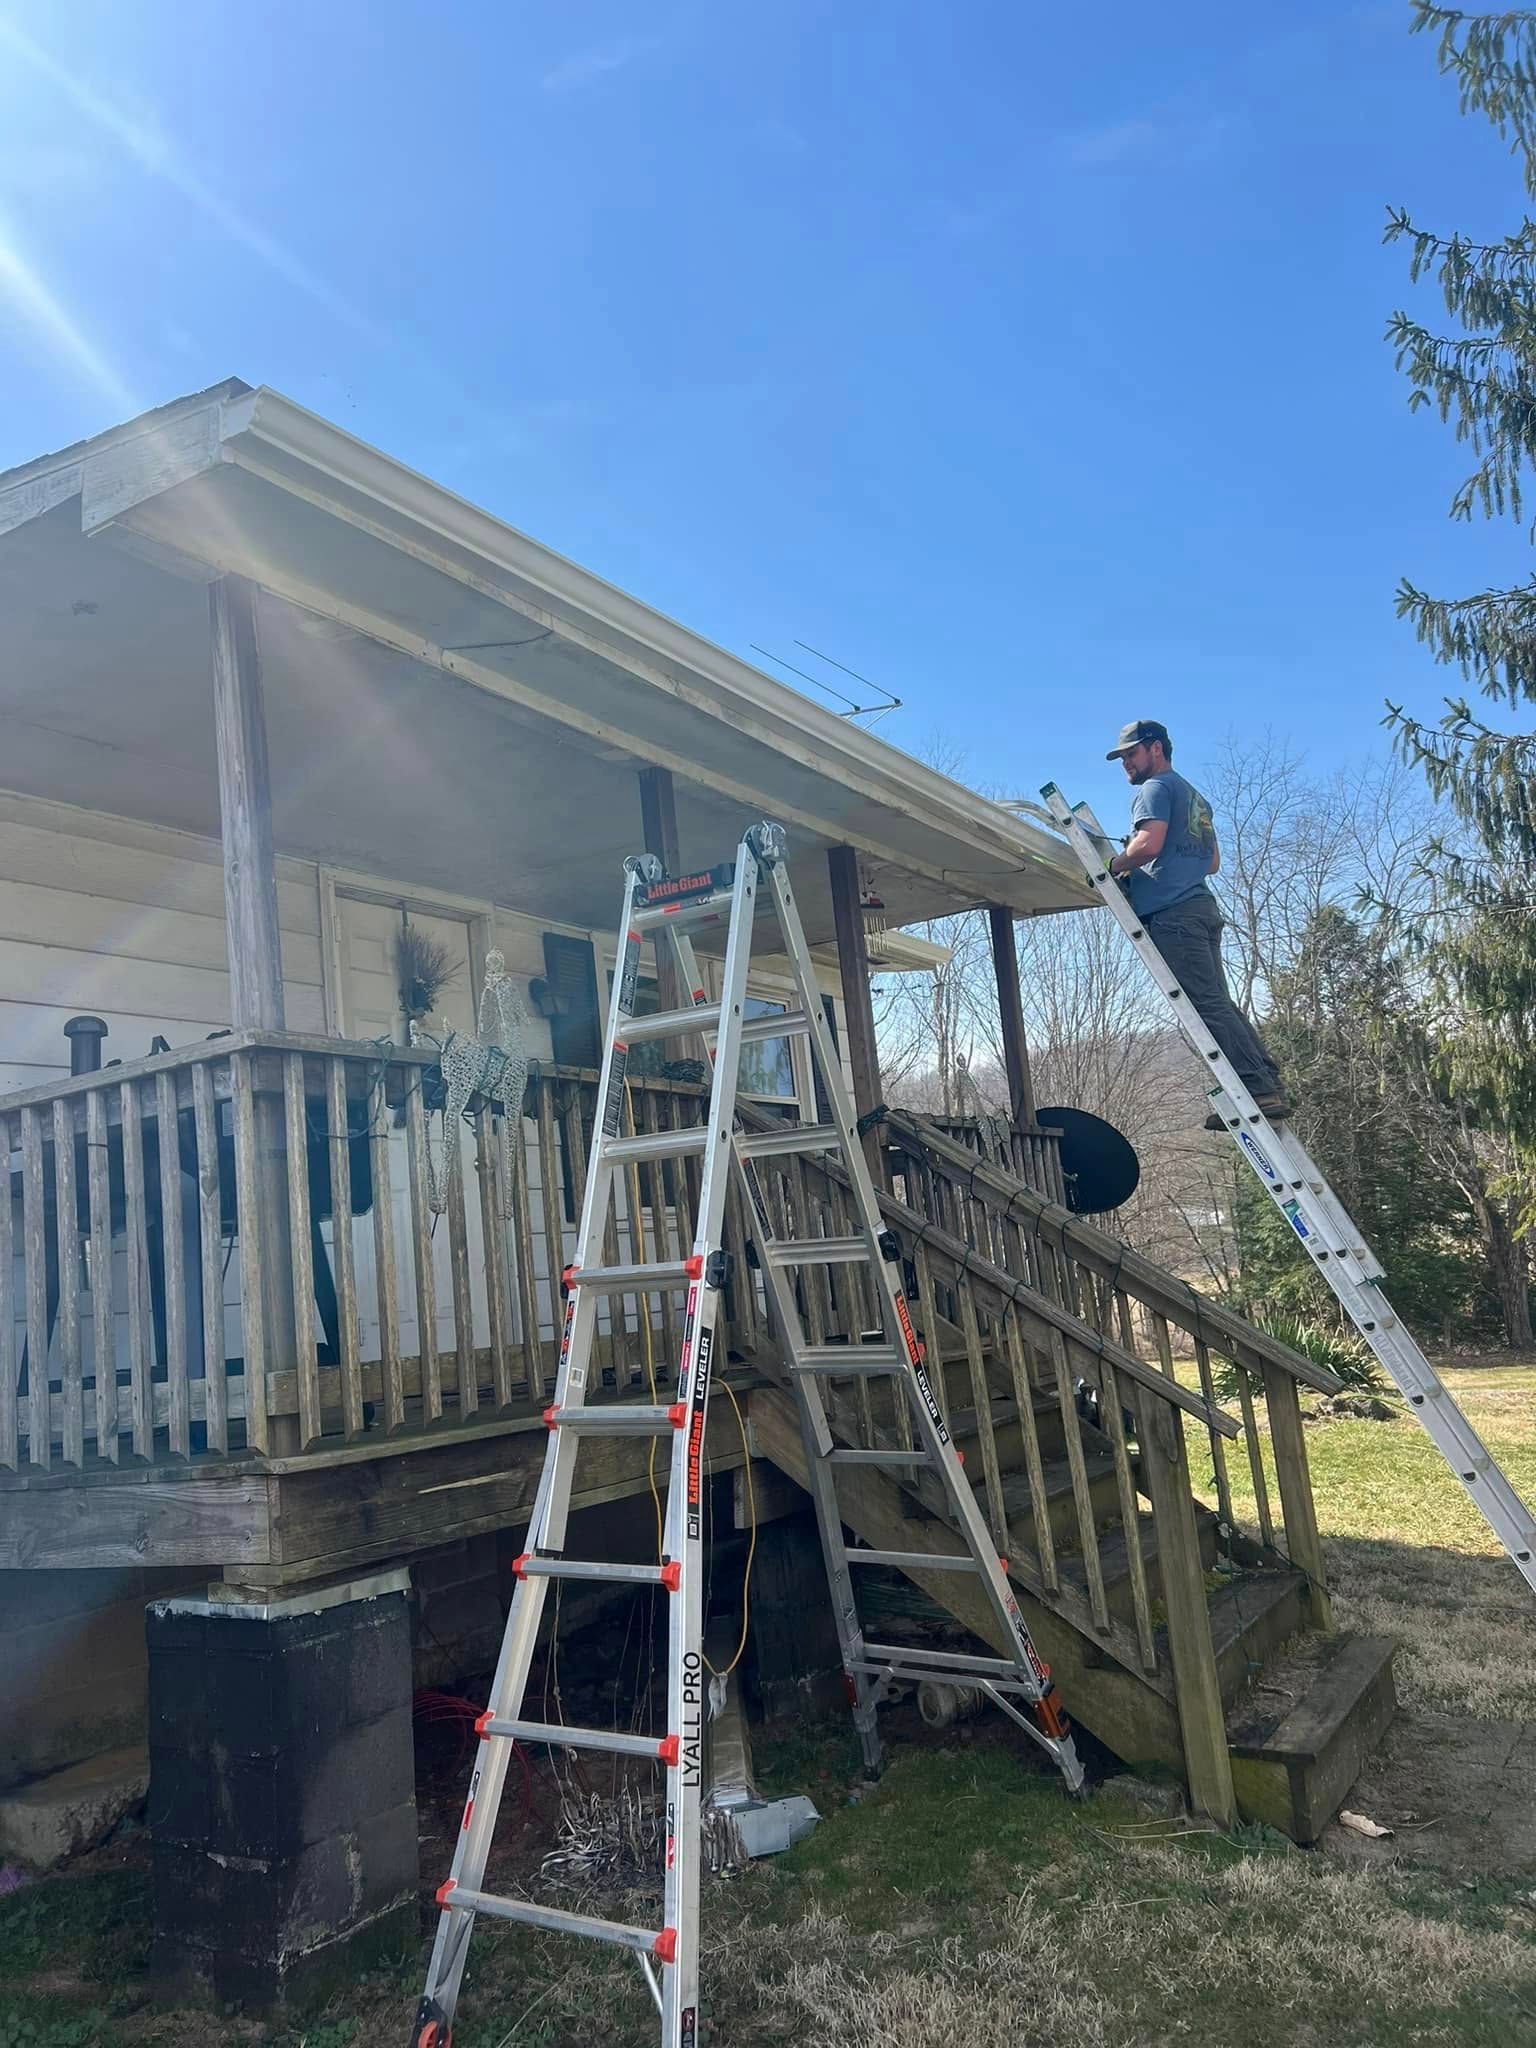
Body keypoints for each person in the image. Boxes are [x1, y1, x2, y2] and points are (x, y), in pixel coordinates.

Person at [1102, 719, 1291, 1122]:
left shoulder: (1155, 789)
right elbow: (1213, 863)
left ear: (1156, 749)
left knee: (1206, 1006)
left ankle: (1256, 1088)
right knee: (1218, 1002)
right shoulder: (1196, 798)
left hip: (1174, 916)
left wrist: (1115, 865)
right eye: (1122, 759)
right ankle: (1266, 1081)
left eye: (1131, 754)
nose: (1126, 765)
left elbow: (1148, 844)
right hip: (1200, 909)